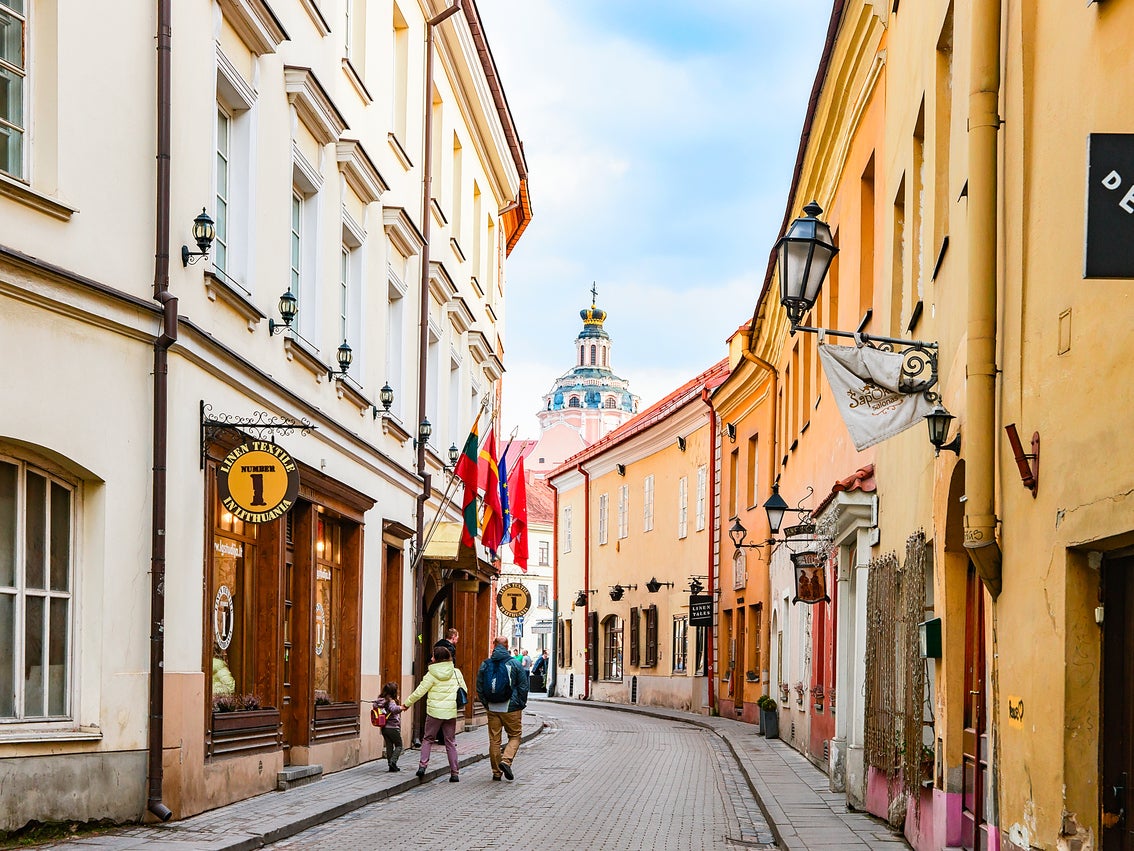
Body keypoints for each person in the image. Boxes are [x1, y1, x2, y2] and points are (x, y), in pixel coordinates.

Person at [403, 646, 466, 782]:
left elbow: (419, 691)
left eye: (433, 656)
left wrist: (406, 704)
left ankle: (422, 766)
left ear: (436, 659)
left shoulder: (431, 674)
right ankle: (454, 773)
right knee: (450, 742)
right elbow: (464, 690)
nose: (431, 658)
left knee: (428, 739)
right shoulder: (456, 672)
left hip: (434, 712)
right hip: (450, 712)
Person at [476, 636, 529, 781]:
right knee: (515, 735)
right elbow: (523, 686)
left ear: (494, 645)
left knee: (494, 740)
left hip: (492, 707)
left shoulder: (485, 664)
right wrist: (520, 703)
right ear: (507, 647)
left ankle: (496, 772)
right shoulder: (515, 664)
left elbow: (479, 687)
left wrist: (486, 703)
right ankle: (506, 761)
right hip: (511, 707)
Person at [373, 682, 403, 772]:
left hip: (384, 727)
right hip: (393, 727)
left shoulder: (380, 701)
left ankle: (390, 766)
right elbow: (394, 710)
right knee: (399, 745)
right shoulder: (391, 701)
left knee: (389, 746)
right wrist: (402, 707)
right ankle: (393, 762)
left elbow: (375, 706)